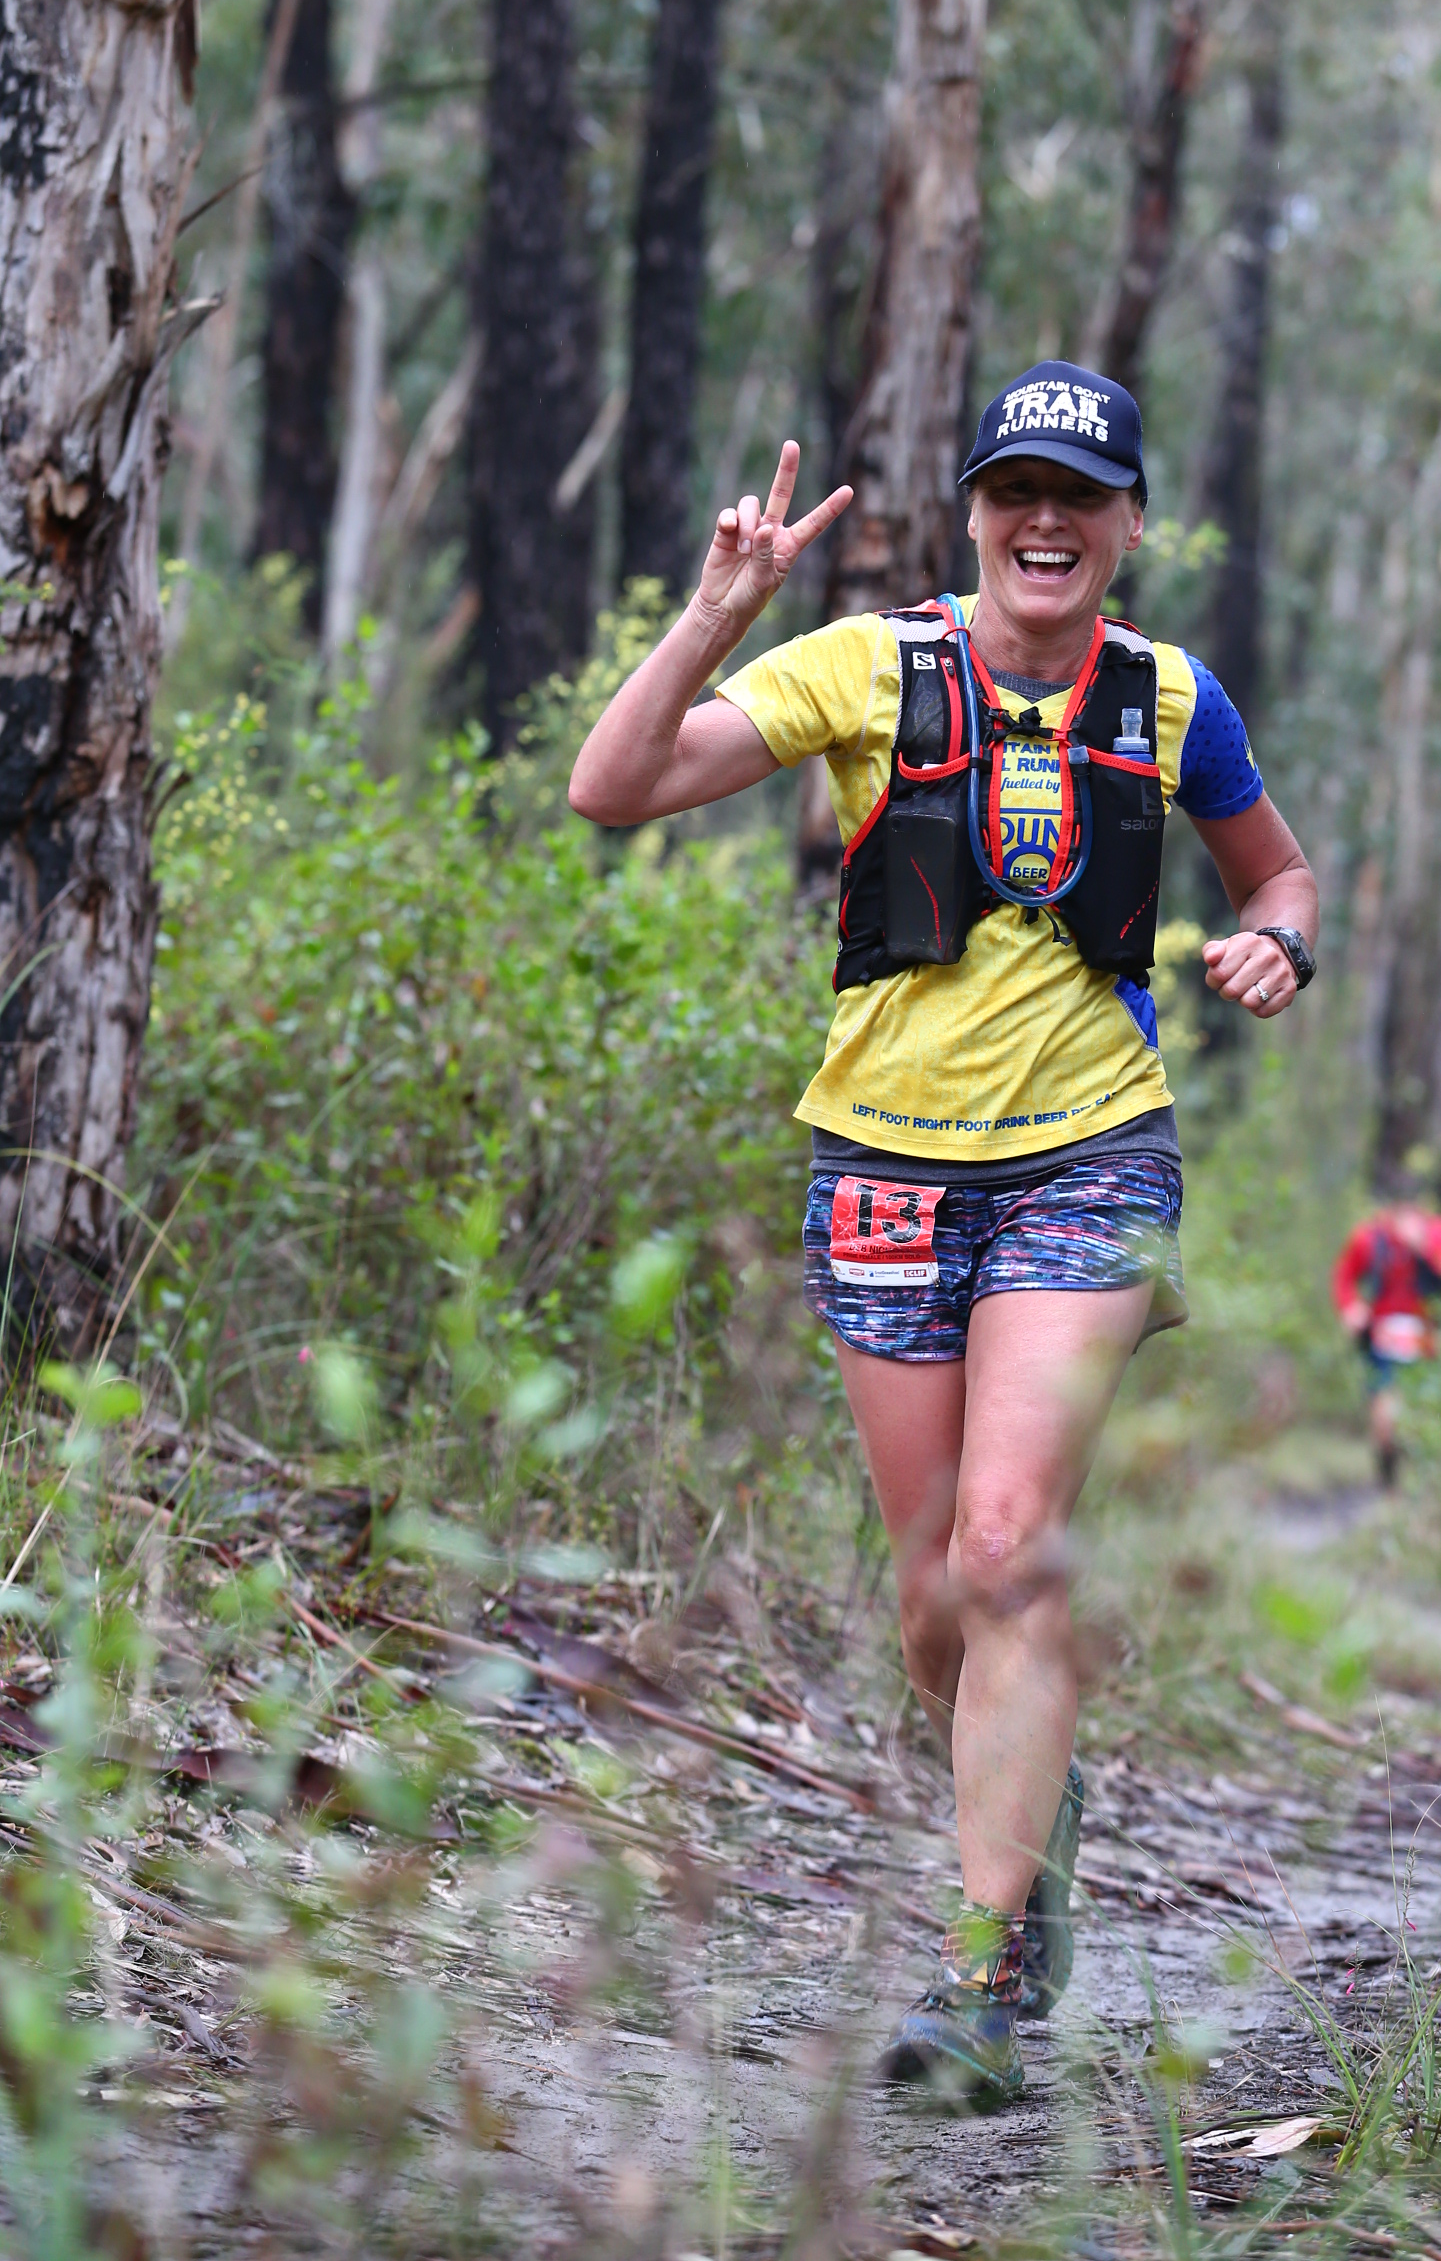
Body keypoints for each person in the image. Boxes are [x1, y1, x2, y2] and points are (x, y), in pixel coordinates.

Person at [569, 359, 1319, 2106]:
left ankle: (979, 1979)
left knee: (1004, 1550)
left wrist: (1279, 942)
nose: (1043, 520)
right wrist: (709, 617)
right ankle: (1030, 1827)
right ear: (973, 512)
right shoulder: (867, 668)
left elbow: (1272, 869)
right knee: (933, 1605)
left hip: (1090, 1159)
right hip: (883, 1167)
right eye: (1013, 490)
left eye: (1080, 493)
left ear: (1129, 522)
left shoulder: (1170, 696)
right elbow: (614, 786)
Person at [1331, 1204, 1441, 1487]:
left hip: (1425, 1339)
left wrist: (1424, 1248)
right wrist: (1350, 1308)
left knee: (1424, 1414)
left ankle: (1421, 1484)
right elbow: (1344, 1275)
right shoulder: (1370, 1237)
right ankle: (1388, 1483)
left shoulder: (1439, 1234)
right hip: (1381, 1339)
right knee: (1384, 1417)